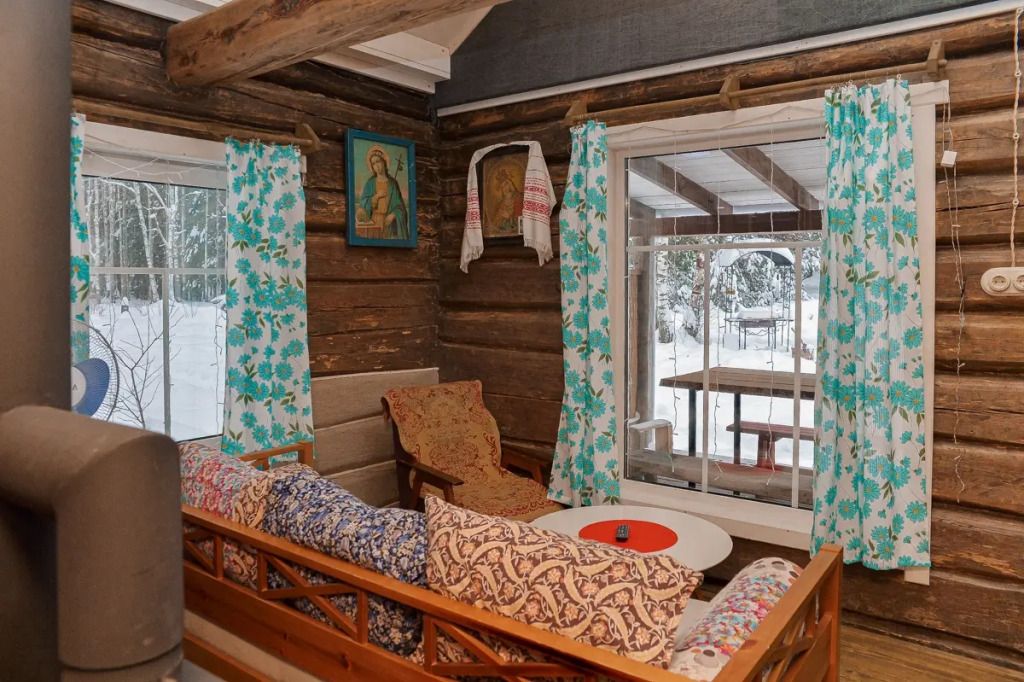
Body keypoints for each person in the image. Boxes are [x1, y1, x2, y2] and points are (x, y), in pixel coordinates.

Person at [357, 147, 409, 240]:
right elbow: (363, 204)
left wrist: (393, 215)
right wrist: (376, 197)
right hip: (374, 223)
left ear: (384, 162)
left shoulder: (393, 184)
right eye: (373, 164)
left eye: (378, 161)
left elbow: (400, 207)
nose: (376, 166)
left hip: (389, 225)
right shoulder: (370, 183)